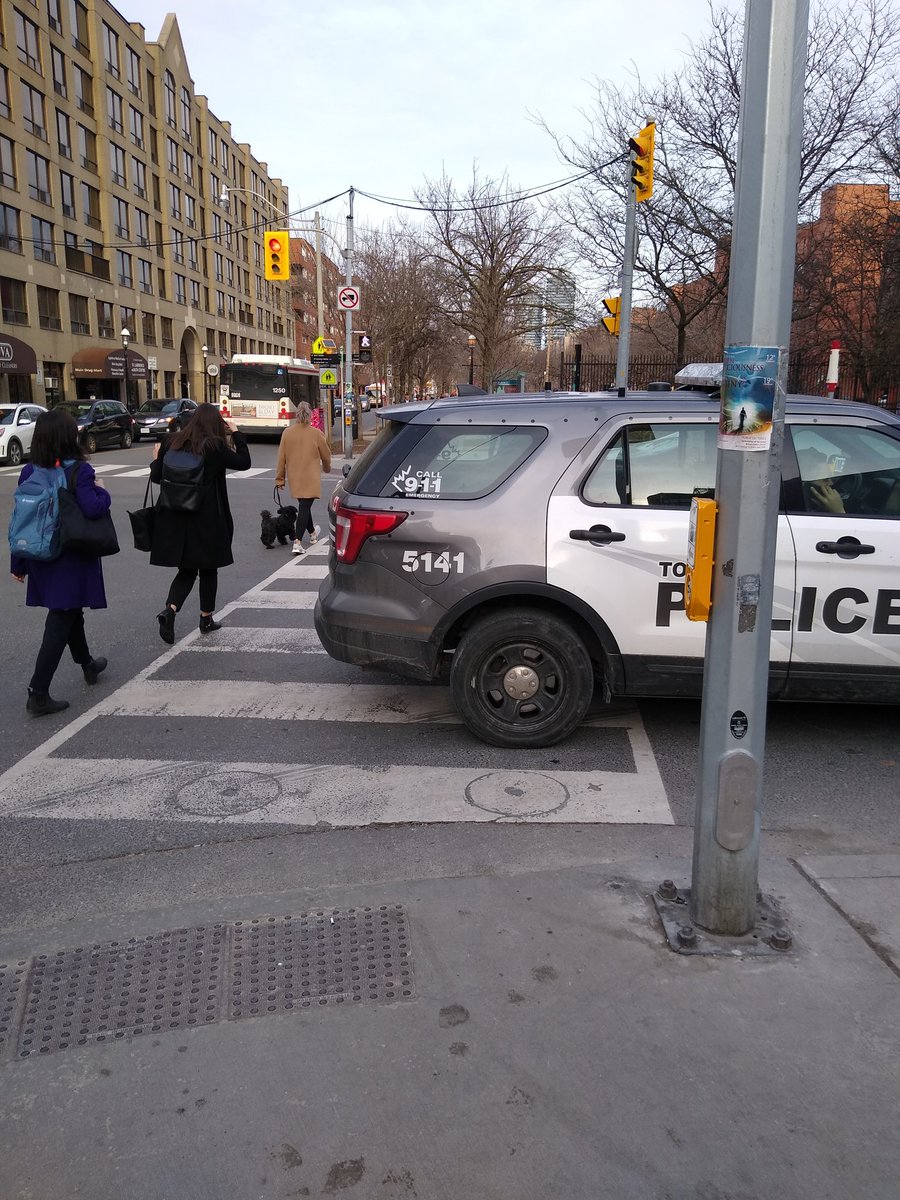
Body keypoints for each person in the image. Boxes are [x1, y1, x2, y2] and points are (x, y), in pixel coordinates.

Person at [10, 410, 109, 716]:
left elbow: (23, 518)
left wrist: (18, 563)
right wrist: (103, 491)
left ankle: (87, 664)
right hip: (70, 555)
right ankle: (37, 692)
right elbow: (93, 508)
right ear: (68, 437)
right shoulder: (79, 470)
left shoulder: (29, 471)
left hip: (40, 553)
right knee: (61, 616)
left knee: (69, 610)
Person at [149, 403, 250, 642]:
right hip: (206, 518)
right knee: (208, 569)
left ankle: (170, 610)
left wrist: (156, 459)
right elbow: (244, 462)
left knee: (186, 570)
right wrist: (236, 433)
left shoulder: (171, 442)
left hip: (176, 517)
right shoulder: (215, 446)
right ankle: (206, 618)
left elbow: (157, 477)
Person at [274, 401, 331, 556]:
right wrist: (327, 468)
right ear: (310, 414)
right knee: (305, 507)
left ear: (297, 414)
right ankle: (297, 542)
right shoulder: (316, 433)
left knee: (304, 505)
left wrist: (280, 479)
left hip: (295, 477)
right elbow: (326, 455)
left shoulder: (287, 433)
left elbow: (281, 458)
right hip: (311, 477)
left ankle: (312, 533)